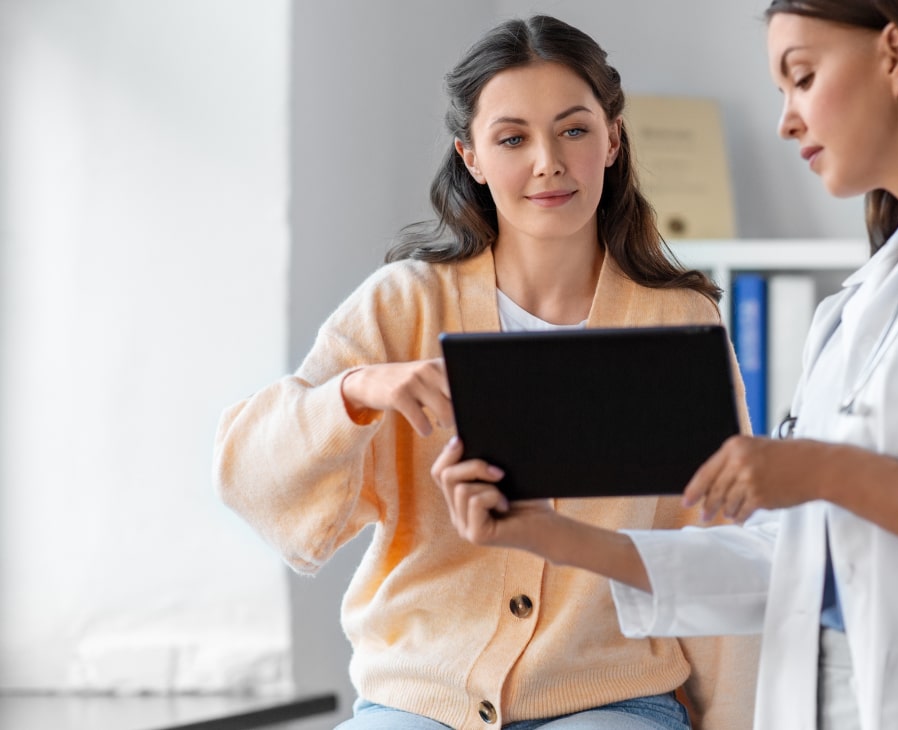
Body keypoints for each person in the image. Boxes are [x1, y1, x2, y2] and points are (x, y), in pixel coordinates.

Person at [430, 2, 898, 729]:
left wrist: (823, 471)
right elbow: (788, 561)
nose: (786, 120)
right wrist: (552, 537)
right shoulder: (855, 307)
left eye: (801, 78)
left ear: (896, 54)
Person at [214, 15, 759, 730]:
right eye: (512, 138)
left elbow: (717, 545)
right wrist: (356, 392)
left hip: (611, 697)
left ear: (614, 138)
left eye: (574, 129)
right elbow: (251, 480)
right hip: (418, 695)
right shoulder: (404, 303)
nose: (548, 162)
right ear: (470, 155)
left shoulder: (677, 320)